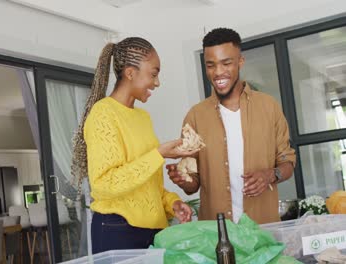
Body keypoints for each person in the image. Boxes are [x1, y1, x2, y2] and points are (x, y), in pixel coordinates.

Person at [71, 37, 195, 254]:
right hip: (117, 230)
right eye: (153, 74)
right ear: (130, 73)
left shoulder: (143, 117)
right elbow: (104, 183)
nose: (157, 82)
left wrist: (172, 204)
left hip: (153, 232)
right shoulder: (103, 114)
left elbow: (147, 185)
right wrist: (159, 154)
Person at [167, 28, 296, 224]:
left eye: (226, 63)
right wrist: (183, 178)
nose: (218, 72)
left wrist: (269, 175)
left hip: (262, 230)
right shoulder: (195, 116)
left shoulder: (269, 107)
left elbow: (287, 163)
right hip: (216, 233)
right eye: (210, 65)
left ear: (240, 62)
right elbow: (193, 185)